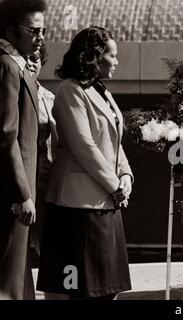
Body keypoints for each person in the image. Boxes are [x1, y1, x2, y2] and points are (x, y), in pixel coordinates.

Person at [37, 26, 133, 300]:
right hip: (77, 209)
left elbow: (114, 142)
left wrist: (126, 175)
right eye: (112, 55)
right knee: (80, 291)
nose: (116, 61)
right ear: (94, 56)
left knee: (106, 291)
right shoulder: (70, 91)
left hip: (106, 203)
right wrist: (115, 185)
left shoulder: (102, 91)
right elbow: (84, 146)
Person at [0, 0, 47, 300]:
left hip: (19, 192)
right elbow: (7, 135)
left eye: (44, 30)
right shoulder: (7, 65)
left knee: (17, 279)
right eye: (34, 30)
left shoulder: (18, 65)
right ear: (11, 31)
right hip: (13, 195)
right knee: (8, 281)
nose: (41, 37)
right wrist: (22, 194)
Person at [26, 43, 58, 257]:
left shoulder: (50, 97)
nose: (31, 63)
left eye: (36, 59)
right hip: (21, 179)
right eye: (27, 58)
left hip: (46, 181)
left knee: (48, 244)